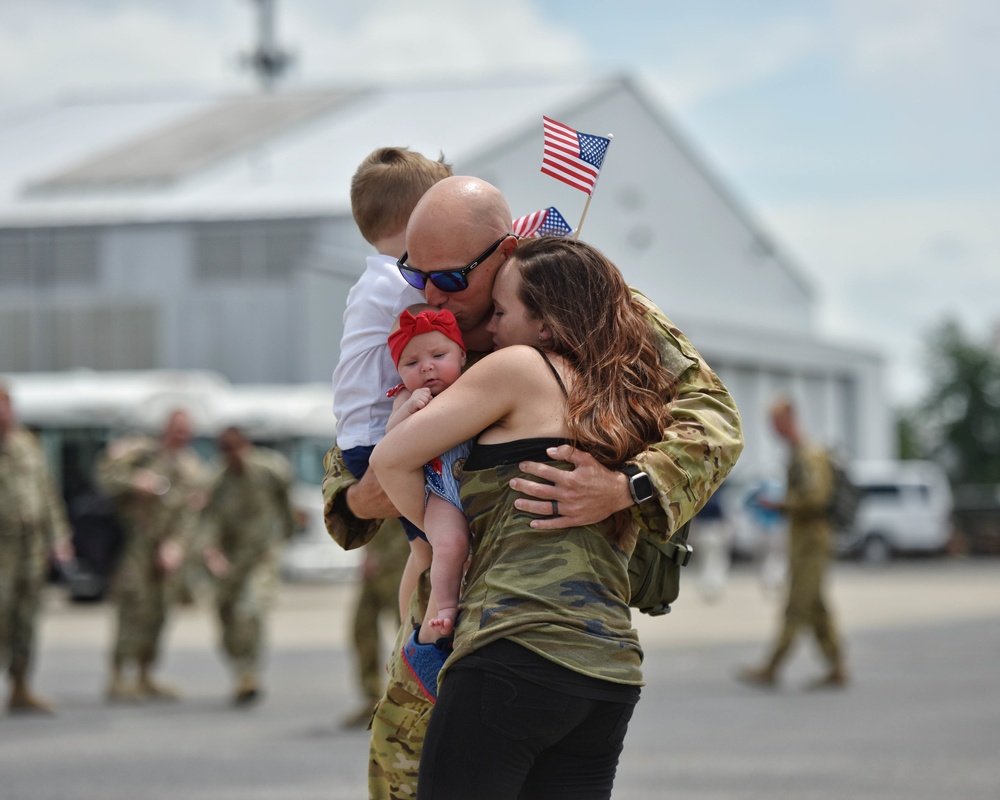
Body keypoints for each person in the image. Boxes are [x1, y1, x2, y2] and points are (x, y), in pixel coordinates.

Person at [320, 175, 744, 799]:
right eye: (415, 274)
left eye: (453, 279)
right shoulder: (420, 322)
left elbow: (713, 418)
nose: (432, 293)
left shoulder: (590, 304)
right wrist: (358, 498)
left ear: (507, 253)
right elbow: (357, 431)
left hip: (537, 623)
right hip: (446, 615)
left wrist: (626, 486)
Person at [370, 237, 673, 798]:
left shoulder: (519, 367)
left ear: (546, 325)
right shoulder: (630, 397)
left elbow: (391, 458)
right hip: (606, 671)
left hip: (514, 650)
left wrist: (439, 525)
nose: (490, 329)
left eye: (504, 313)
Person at [95, 409, 207, 702]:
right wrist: (135, 480)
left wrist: (177, 546)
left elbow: (190, 514)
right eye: (175, 428)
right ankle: (119, 676)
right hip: (135, 544)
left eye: (185, 430)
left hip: (167, 549)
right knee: (132, 607)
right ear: (164, 429)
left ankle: (146, 675)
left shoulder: (191, 468)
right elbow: (104, 476)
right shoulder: (140, 454)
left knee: (159, 610)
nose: (179, 435)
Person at [738, 397, 849, 689]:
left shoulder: (808, 455)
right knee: (816, 607)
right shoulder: (798, 453)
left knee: (797, 604)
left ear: (789, 419)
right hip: (803, 541)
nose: (772, 429)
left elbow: (816, 497)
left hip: (812, 542)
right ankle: (837, 665)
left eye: (775, 422)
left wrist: (781, 504)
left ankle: (772, 666)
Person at [384, 305, 470, 655]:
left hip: (474, 482)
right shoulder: (406, 397)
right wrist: (408, 409)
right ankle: (446, 608)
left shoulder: (477, 384)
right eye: (412, 363)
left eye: (439, 354)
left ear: (462, 355)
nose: (427, 367)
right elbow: (391, 441)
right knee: (447, 546)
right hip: (440, 491)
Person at [199, 426, 296, 705]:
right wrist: (211, 552)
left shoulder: (270, 470)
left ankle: (249, 673)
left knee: (250, 609)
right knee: (226, 616)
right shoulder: (215, 480)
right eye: (225, 450)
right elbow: (206, 519)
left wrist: (287, 534)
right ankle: (238, 669)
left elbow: (285, 502)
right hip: (229, 558)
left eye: (236, 448)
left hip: (261, 554)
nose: (232, 456)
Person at [0, 385, 74, 714]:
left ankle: (20, 687)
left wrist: (59, 538)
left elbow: (47, 493)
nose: (3, 415)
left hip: (29, 548)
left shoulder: (27, 446)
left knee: (26, 619)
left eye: (6, 407)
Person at [341, 517, 410, 728]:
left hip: (404, 558)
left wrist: (384, 557)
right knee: (362, 626)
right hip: (377, 558)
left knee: (407, 631)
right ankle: (373, 697)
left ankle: (408, 701)